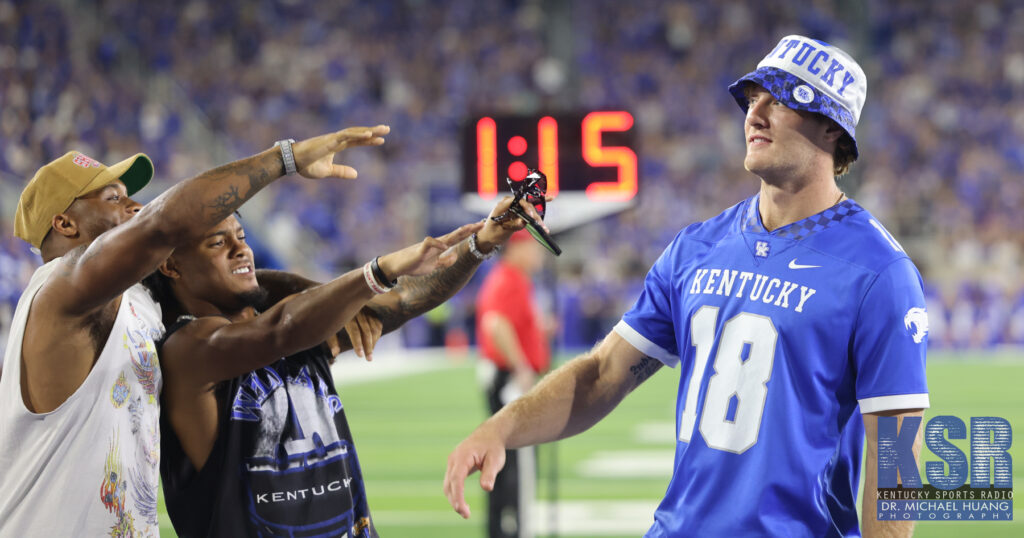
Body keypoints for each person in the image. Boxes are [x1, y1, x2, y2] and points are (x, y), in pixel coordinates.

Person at [445, 35, 929, 537]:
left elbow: (895, 453)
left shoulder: (879, 272)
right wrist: (501, 427)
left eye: (779, 100)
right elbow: (600, 376)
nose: (754, 115)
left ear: (832, 128)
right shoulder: (697, 247)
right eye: (752, 99)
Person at [0, 125, 390, 536]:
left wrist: (333, 297)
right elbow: (163, 226)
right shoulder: (58, 291)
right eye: (113, 198)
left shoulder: (141, 302)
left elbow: (240, 284)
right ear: (64, 224)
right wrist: (285, 159)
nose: (134, 206)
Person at [147, 198, 543, 537]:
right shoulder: (186, 349)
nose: (241, 250)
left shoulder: (305, 324)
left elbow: (405, 301)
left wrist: (481, 243)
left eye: (242, 236)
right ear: (171, 267)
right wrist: (376, 273)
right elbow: (278, 332)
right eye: (218, 242)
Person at [474, 229, 550, 538]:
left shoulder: (513, 279)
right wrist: (520, 364)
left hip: (507, 376)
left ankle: (503, 530)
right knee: (517, 464)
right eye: (534, 247)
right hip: (508, 379)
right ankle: (513, 531)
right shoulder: (508, 279)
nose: (540, 254)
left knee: (507, 464)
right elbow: (496, 324)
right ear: (517, 249)